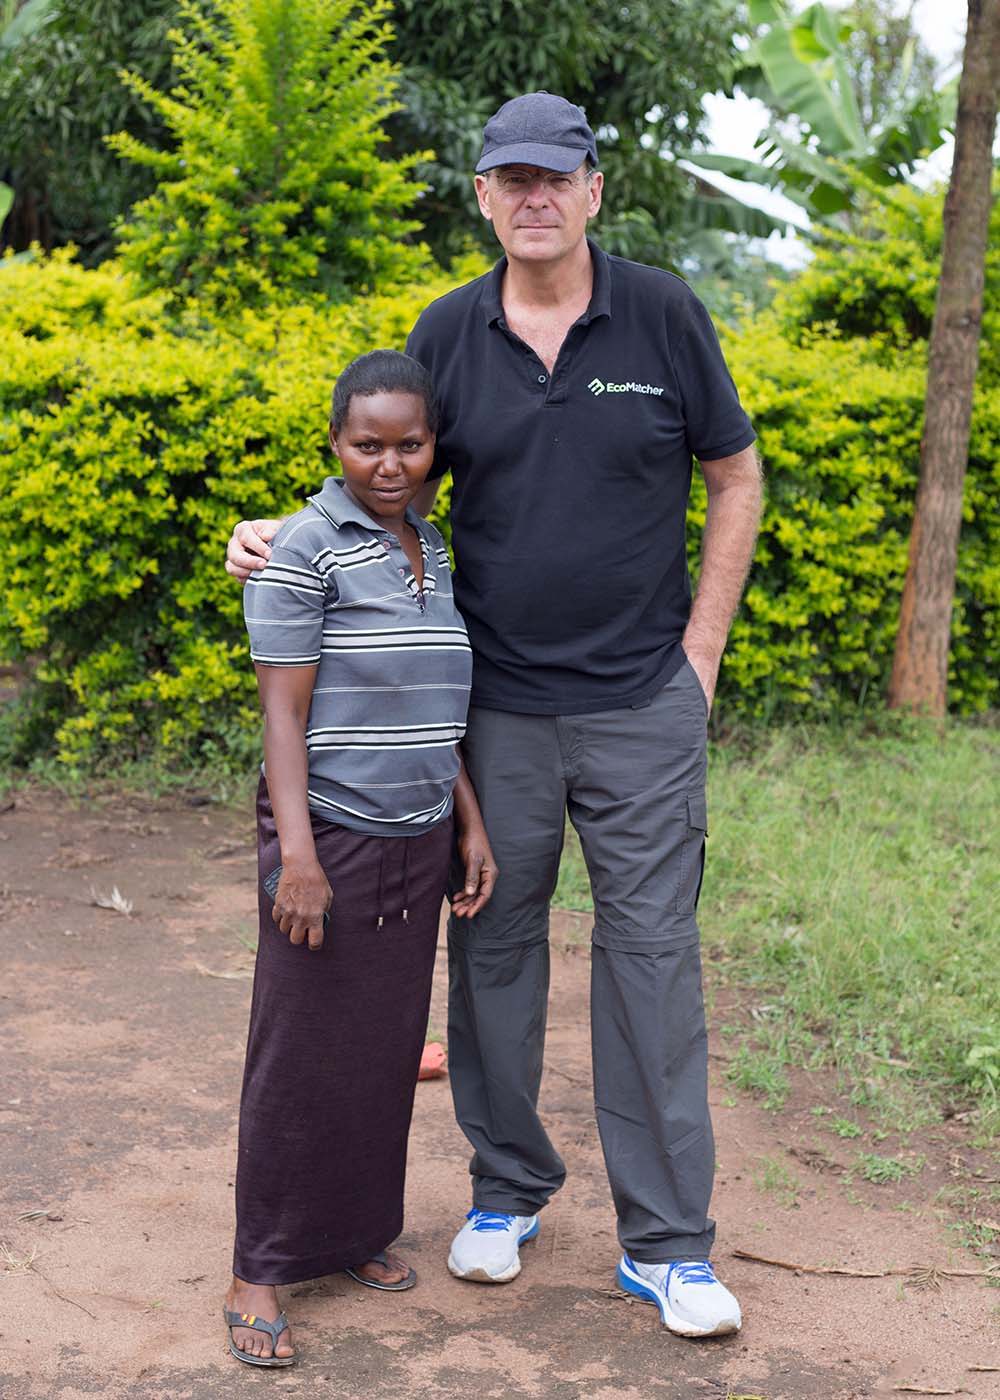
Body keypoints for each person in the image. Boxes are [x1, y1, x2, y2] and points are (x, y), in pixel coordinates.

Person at [227, 92, 762, 1340]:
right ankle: (506, 1188)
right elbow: (386, 472)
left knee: (650, 961)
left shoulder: (664, 313)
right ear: (482, 196)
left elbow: (733, 473)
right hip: (498, 711)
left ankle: (667, 1242)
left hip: (641, 704)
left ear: (590, 189)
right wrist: (275, 532)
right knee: (494, 949)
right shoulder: (449, 331)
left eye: (554, 176)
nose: (533, 197)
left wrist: (702, 649)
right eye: (508, 177)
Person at [223, 350, 497, 1367]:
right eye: (367, 443)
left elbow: (436, 707)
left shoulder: (429, 540)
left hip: (418, 831)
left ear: (433, 447)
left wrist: (466, 820)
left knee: (382, 1044)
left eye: (409, 443)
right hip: (328, 831)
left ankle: (353, 1234)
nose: (390, 462)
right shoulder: (303, 548)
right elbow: (283, 715)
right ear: (335, 444)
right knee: (297, 1047)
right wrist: (296, 852)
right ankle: (260, 1264)